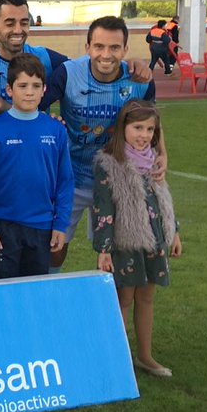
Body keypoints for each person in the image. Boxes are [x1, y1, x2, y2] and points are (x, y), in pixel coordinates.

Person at [41, 17, 157, 274]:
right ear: (87, 48)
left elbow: (151, 125)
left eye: (114, 47)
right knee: (55, 247)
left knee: (117, 252)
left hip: (116, 179)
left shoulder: (140, 81)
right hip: (69, 177)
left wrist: (163, 155)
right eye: (99, 46)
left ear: (125, 50)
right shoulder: (68, 74)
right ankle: (50, 287)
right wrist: (49, 123)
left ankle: (110, 297)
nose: (106, 54)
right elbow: (34, 109)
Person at [93, 101, 181, 377]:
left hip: (154, 239)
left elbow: (163, 196)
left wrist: (174, 231)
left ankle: (145, 356)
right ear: (123, 128)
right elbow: (103, 209)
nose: (144, 135)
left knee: (147, 298)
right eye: (138, 128)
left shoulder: (154, 159)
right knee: (124, 300)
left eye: (149, 129)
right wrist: (104, 249)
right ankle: (117, 360)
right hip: (125, 242)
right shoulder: (108, 163)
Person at [0, 54, 73, 279]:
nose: (29, 92)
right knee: (2, 292)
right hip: (2, 227)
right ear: (9, 90)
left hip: (42, 226)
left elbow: (65, 181)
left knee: (33, 292)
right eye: (22, 85)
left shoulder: (55, 130)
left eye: (36, 86)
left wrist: (60, 224)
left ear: (44, 89)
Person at [0, 0, 70, 104]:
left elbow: (77, 69)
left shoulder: (44, 57)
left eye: (24, 23)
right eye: (10, 24)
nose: (18, 30)